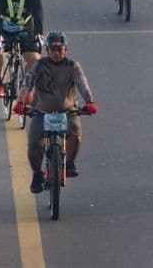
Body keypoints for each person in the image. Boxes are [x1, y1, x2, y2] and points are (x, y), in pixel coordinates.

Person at [14, 31, 98, 194]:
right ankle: (37, 175)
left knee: (76, 135)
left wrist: (90, 102)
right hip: (42, 111)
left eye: (60, 49)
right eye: (52, 49)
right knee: (33, 144)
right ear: (47, 50)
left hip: (68, 111)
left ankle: (71, 163)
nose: (56, 52)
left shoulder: (72, 66)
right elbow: (27, 83)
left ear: (66, 50)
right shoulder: (39, 65)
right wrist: (20, 102)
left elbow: (83, 85)